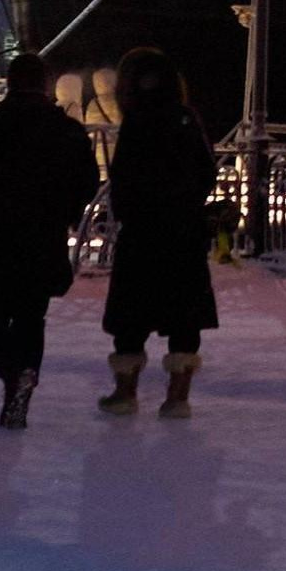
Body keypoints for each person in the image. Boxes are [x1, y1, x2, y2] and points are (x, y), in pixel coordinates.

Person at [0, 61, 101, 428]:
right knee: (31, 314)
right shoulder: (66, 130)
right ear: (45, 85)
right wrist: (66, 211)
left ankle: (13, 371)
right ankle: (24, 373)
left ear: (11, 83)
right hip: (45, 234)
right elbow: (87, 182)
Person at [95, 46, 224, 417]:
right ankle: (177, 397)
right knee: (184, 316)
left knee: (131, 316)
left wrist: (127, 213)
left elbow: (122, 178)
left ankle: (125, 392)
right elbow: (205, 171)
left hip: (141, 234)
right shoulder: (186, 119)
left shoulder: (137, 121)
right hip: (183, 232)